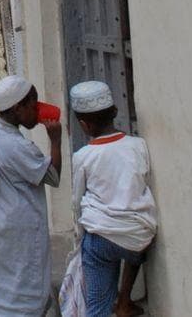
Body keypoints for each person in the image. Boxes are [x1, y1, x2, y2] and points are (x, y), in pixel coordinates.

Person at [0, 75, 62, 316]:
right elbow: (53, 177)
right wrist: (55, 141)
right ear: (17, 108)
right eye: (33, 105)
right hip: (17, 239)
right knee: (20, 296)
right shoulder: (18, 147)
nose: (37, 111)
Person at [69, 81, 157, 317]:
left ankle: (112, 306)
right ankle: (124, 301)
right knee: (133, 234)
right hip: (138, 237)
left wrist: (79, 238)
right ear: (115, 112)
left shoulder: (83, 156)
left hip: (101, 240)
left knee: (97, 307)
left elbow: (77, 201)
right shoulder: (138, 145)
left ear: (83, 125)